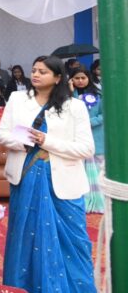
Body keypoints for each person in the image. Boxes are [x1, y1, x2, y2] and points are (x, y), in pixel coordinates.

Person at [0, 55, 96, 292]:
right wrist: (23, 142)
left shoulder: (74, 106)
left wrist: (46, 141)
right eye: (34, 70)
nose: (36, 75)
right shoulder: (18, 99)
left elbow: (86, 149)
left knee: (74, 241)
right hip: (26, 177)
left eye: (43, 71)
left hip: (63, 181)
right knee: (25, 238)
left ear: (58, 77)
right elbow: (2, 134)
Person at [68, 66, 104, 213]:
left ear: (89, 78)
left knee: (98, 171)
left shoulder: (98, 95)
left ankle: (98, 201)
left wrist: (89, 122)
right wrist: (69, 92)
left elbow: (104, 115)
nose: (80, 81)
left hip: (95, 136)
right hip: (76, 138)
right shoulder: (67, 96)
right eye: (76, 78)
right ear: (71, 80)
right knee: (78, 170)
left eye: (83, 78)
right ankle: (81, 201)